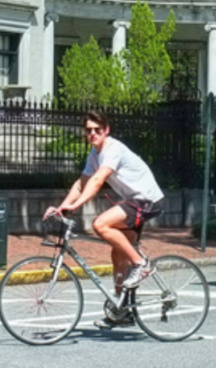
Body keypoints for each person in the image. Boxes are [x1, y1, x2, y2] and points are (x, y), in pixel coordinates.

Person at [44, 110, 164, 328]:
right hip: (134, 201)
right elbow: (81, 184)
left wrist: (76, 205)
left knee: (100, 223)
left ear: (106, 130)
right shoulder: (94, 154)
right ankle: (122, 310)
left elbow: (99, 179)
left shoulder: (112, 149)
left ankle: (141, 264)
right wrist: (63, 206)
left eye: (97, 130)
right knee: (118, 252)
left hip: (147, 200)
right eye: (88, 130)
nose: (92, 134)